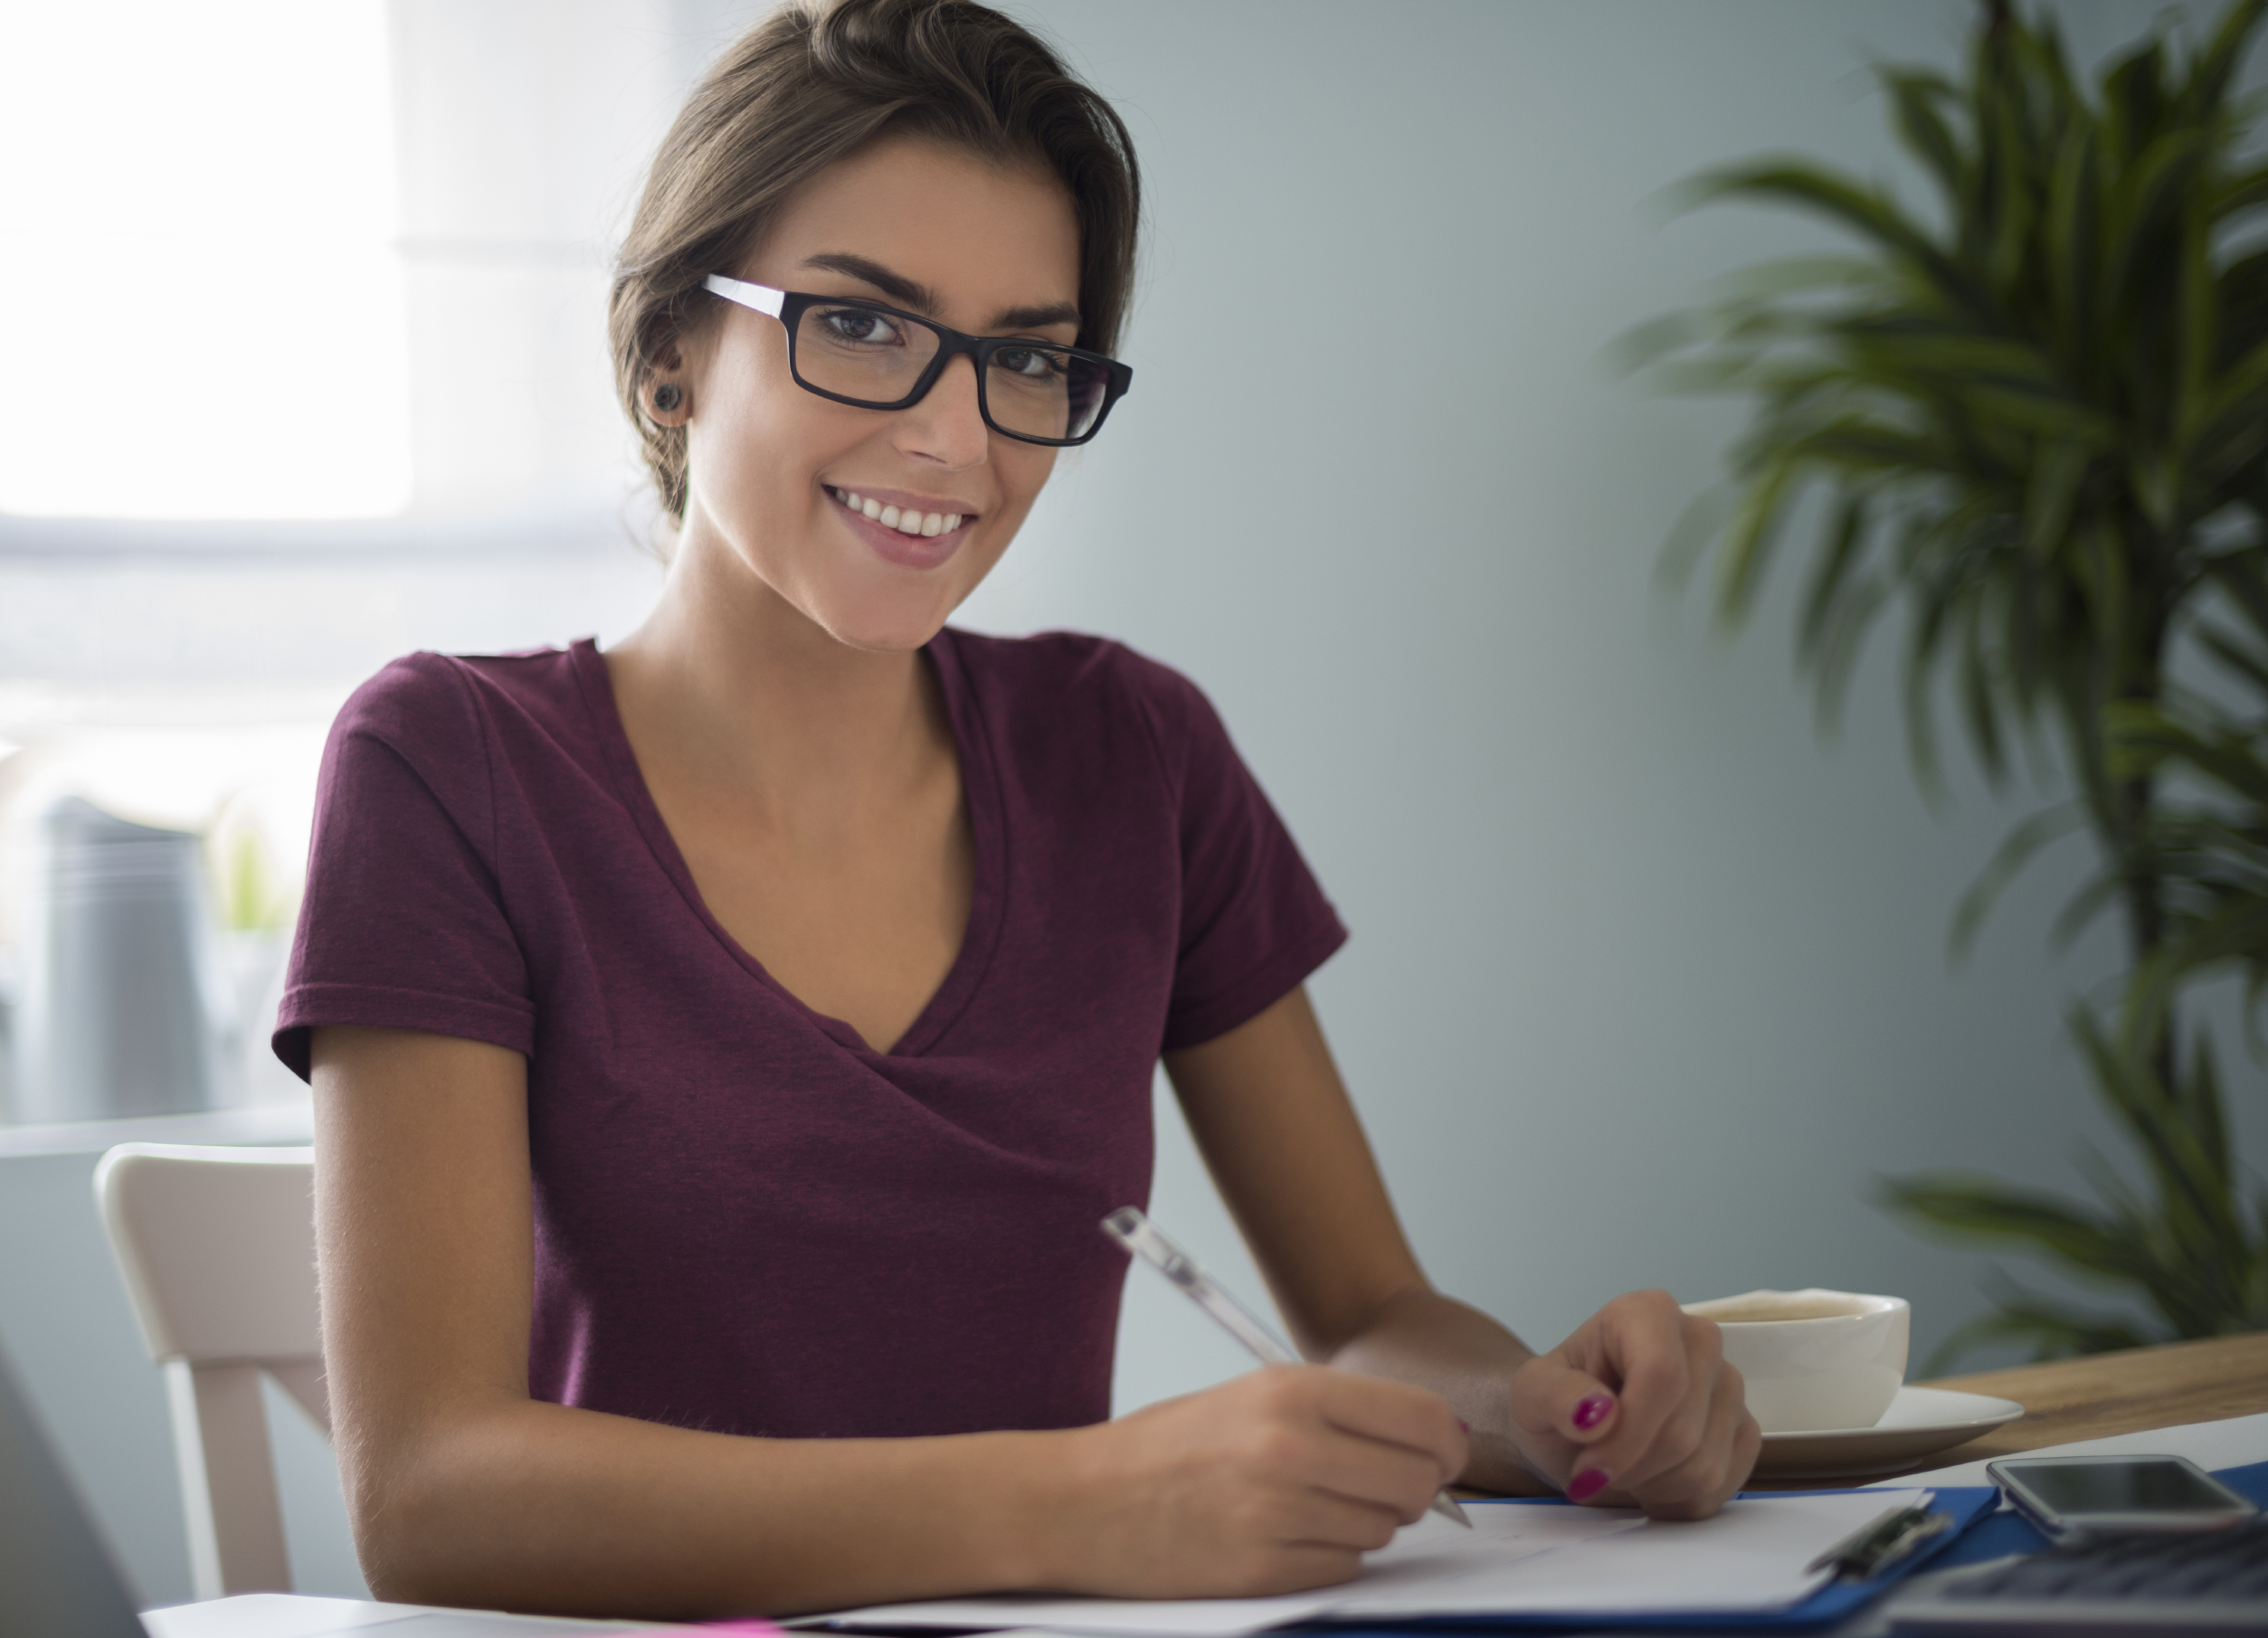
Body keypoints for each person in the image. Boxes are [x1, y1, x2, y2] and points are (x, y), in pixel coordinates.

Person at [277, 0, 1759, 1620]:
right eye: (858, 324)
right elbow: (429, 1496)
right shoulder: (450, 764)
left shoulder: (1129, 751)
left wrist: (1548, 1414)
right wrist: (1087, 1499)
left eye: (1028, 358)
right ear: (668, 355)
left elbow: (1363, 1312)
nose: (951, 431)